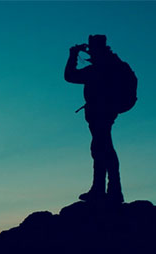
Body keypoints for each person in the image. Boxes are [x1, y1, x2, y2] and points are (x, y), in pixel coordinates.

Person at [64, 34, 128, 204]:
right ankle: (105, 190)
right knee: (101, 148)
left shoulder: (100, 68)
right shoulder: (112, 65)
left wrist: (73, 55)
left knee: (102, 149)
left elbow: (70, 76)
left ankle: (108, 191)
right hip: (105, 112)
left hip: (101, 112)